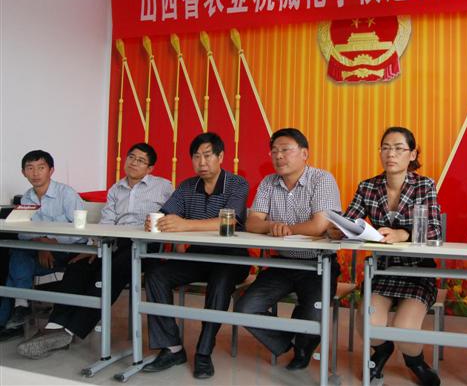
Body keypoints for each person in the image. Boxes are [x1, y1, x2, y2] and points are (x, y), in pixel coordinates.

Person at [15, 143, 173, 358]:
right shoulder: (116, 189)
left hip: (146, 245)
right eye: (131, 157)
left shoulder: (163, 186)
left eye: (141, 160)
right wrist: (92, 246)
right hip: (115, 242)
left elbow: (174, 214)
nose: (134, 163)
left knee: (111, 271)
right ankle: (54, 326)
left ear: (150, 168)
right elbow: (107, 222)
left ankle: (70, 331)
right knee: (79, 266)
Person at [329, 126, 441, 386]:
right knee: (369, 323)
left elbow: (434, 230)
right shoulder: (368, 186)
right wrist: (340, 229)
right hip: (382, 270)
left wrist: (403, 234)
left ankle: (415, 362)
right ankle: (381, 350)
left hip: (417, 271)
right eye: (386, 148)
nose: (391, 154)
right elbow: (351, 220)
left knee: (404, 329)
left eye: (399, 149)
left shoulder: (424, 185)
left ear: (412, 154)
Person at [141, 132, 249, 380]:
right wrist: (156, 221)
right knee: (156, 274)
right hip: (198, 255)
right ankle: (172, 348)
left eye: (207, 156)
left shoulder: (236, 184)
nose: (202, 162)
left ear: (221, 157)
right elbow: (167, 213)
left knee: (221, 280)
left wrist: (184, 224)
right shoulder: (187, 186)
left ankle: (203, 352)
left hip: (233, 257)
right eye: (196, 156)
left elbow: (230, 222)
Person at [235, 128, 342, 370]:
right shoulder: (268, 182)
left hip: (318, 265)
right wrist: (272, 226)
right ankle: (288, 343)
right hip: (282, 263)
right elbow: (252, 222)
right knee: (245, 308)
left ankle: (303, 349)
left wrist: (286, 229)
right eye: (274, 151)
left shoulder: (322, 179)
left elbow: (319, 226)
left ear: (304, 154)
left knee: (313, 317)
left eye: (285, 150)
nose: (279, 156)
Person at [0, 150, 84, 341]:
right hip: (40, 253)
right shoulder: (27, 197)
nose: (35, 173)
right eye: (30, 168)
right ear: (23, 172)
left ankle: (17, 312)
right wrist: (41, 244)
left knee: (14, 266)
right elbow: (23, 232)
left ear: (51, 170)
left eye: (41, 167)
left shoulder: (66, 194)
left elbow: (79, 230)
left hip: (70, 252)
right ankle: (20, 308)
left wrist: (48, 240)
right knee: (16, 253)